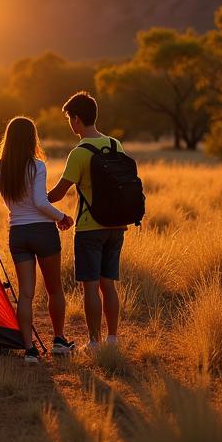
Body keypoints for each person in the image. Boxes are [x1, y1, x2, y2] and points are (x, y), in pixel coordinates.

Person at [0, 116, 76, 363]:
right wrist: (63, 216)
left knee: (26, 294)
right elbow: (41, 203)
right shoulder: (37, 166)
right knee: (54, 290)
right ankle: (59, 341)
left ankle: (29, 349)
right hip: (43, 232)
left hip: (17, 234)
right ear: (32, 138)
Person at [48, 91, 125, 352]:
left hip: (90, 227)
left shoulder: (79, 153)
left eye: (70, 118)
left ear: (77, 119)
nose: (70, 123)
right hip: (116, 225)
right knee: (109, 285)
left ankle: (94, 342)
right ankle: (113, 339)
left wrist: (38, 201)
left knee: (90, 288)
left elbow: (59, 193)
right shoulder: (115, 145)